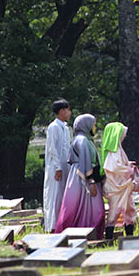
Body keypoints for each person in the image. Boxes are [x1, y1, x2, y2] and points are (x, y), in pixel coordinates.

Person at [55, 114, 106, 239]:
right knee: (93, 209)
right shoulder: (82, 140)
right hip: (83, 179)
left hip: (81, 176)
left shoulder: (84, 139)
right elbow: (85, 162)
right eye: (93, 124)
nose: (95, 127)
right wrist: (92, 181)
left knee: (87, 208)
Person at [101, 122, 139, 239]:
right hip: (116, 187)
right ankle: (109, 238)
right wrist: (129, 170)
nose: (124, 136)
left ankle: (129, 237)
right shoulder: (113, 152)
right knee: (114, 212)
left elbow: (118, 165)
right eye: (122, 134)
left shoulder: (118, 150)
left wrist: (128, 165)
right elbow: (113, 167)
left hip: (123, 186)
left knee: (129, 210)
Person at [44, 98, 72, 233]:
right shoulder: (53, 127)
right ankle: (53, 226)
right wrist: (58, 167)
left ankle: (62, 224)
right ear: (62, 111)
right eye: (68, 110)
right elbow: (52, 149)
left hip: (65, 166)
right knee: (54, 196)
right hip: (56, 168)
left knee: (63, 196)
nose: (69, 112)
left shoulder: (66, 128)